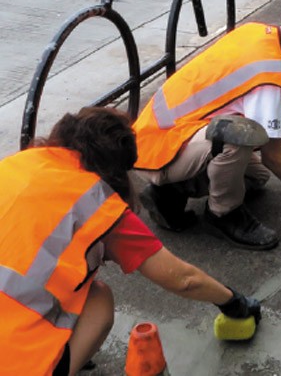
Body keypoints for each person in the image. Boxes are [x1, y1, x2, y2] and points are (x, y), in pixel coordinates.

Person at [0, 106, 261, 376]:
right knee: (99, 298)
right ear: (116, 170)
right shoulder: (95, 203)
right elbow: (183, 279)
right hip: (17, 364)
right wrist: (233, 302)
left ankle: (62, 347)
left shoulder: (15, 164)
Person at [134, 0, 281, 251]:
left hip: (161, 134)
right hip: (157, 148)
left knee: (256, 177)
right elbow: (274, 157)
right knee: (239, 137)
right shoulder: (268, 78)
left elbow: (248, 93)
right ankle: (223, 215)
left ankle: (168, 193)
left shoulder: (258, 34)